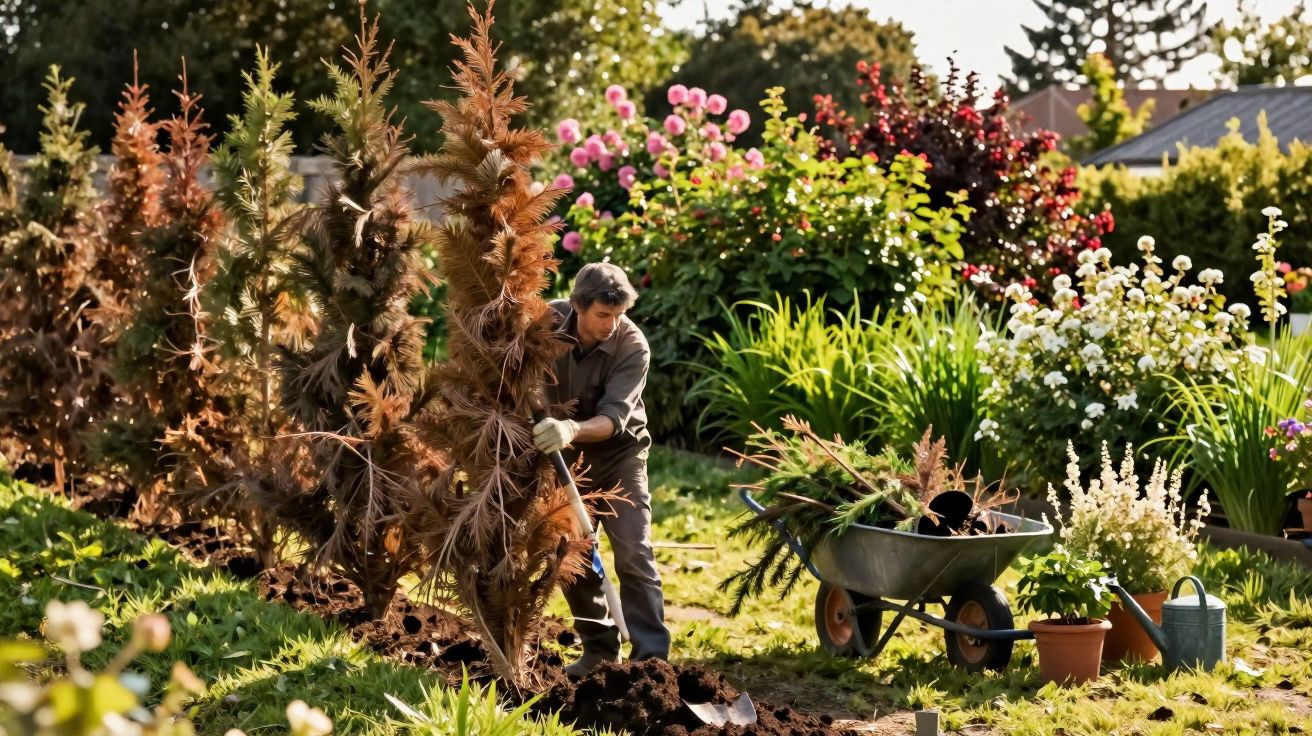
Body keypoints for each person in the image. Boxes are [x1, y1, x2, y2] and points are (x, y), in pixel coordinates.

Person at [533, 262, 670, 677]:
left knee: (633, 549)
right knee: (573, 554)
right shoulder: (545, 323)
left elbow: (613, 419)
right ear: (578, 306)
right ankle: (598, 652)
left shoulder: (633, 346)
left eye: (619, 314)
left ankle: (650, 662)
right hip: (562, 459)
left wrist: (571, 428)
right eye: (602, 315)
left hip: (618, 456)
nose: (612, 324)